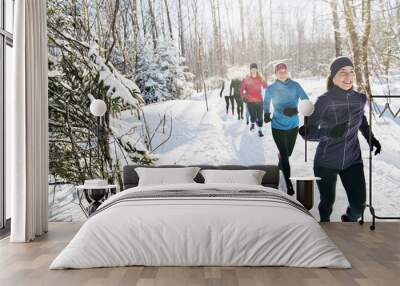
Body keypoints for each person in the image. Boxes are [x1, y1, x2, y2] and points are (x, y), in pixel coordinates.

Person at [299, 56, 382, 222]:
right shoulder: (325, 101)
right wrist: (329, 132)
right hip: (326, 162)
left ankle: (348, 221)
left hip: (352, 160)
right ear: (333, 77)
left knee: (359, 206)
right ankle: (326, 230)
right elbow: (306, 132)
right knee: (327, 203)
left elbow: (362, 121)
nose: (348, 76)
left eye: (351, 72)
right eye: (342, 72)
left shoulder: (360, 99)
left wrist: (371, 138)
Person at [263, 63, 309, 196]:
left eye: (284, 70)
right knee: (285, 155)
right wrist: (266, 113)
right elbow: (266, 102)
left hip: (293, 125)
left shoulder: (295, 86)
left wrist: (295, 110)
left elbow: (305, 100)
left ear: (287, 72)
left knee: (288, 154)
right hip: (277, 126)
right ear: (276, 73)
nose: (282, 72)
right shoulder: (271, 88)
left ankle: (281, 161)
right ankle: (289, 184)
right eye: (279, 71)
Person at [240, 63, 268, 137]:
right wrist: (243, 96)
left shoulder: (260, 78)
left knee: (260, 117)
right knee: (253, 117)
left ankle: (260, 130)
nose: (253, 70)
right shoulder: (247, 79)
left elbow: (265, 86)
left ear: (257, 69)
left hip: (259, 101)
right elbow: (241, 89)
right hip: (250, 102)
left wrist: (264, 81)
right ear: (250, 70)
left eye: (254, 69)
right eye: (252, 69)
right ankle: (252, 124)